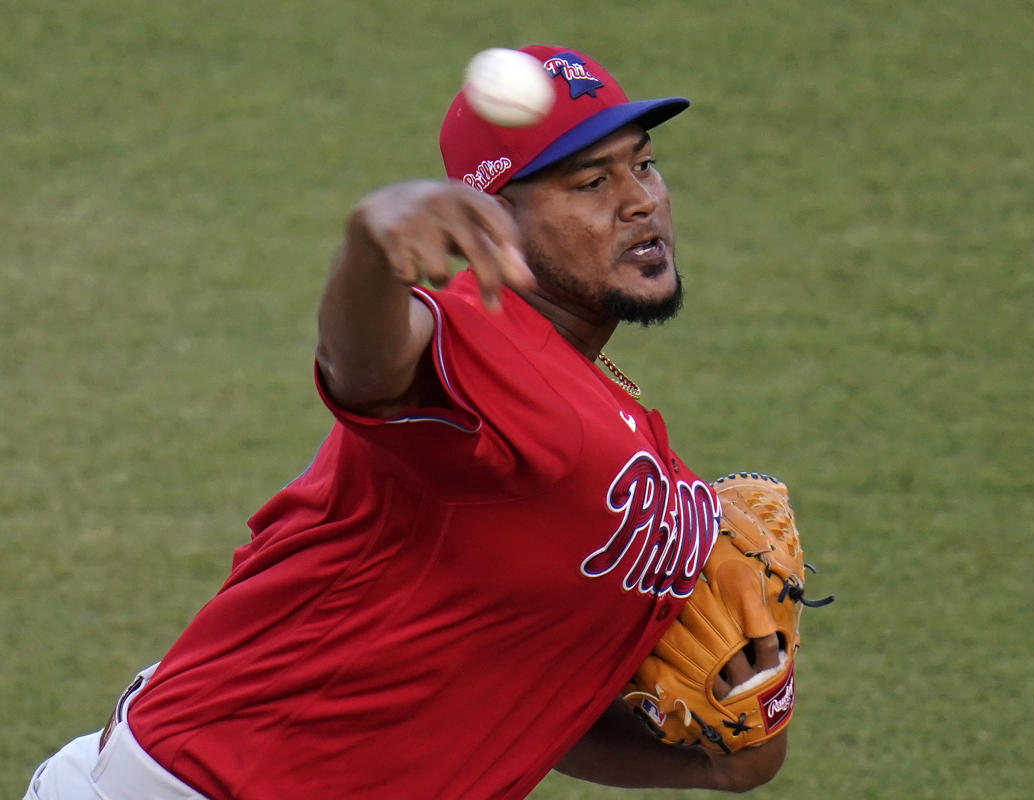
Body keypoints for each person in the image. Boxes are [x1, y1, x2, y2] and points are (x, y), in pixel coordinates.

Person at [24, 44, 788, 800]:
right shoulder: (481, 341)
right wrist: (371, 247)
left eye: (644, 165)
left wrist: (714, 766)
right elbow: (369, 369)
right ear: (492, 221)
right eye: (590, 182)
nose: (639, 200)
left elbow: (530, 701)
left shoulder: (639, 444)